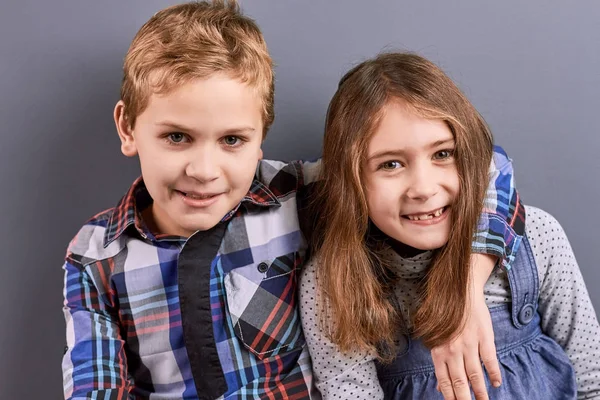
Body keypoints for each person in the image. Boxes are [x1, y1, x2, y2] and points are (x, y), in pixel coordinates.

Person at [61, 2, 525, 398]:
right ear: (128, 128)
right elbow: (96, 385)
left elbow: (487, 166)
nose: (204, 170)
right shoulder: (95, 255)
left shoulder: (294, 196)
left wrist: (466, 286)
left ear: (261, 138)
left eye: (232, 140)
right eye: (177, 137)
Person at [300, 51, 600, 399]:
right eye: (390, 164)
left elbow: (593, 379)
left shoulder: (538, 238)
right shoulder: (332, 285)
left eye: (443, 154)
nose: (424, 189)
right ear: (350, 182)